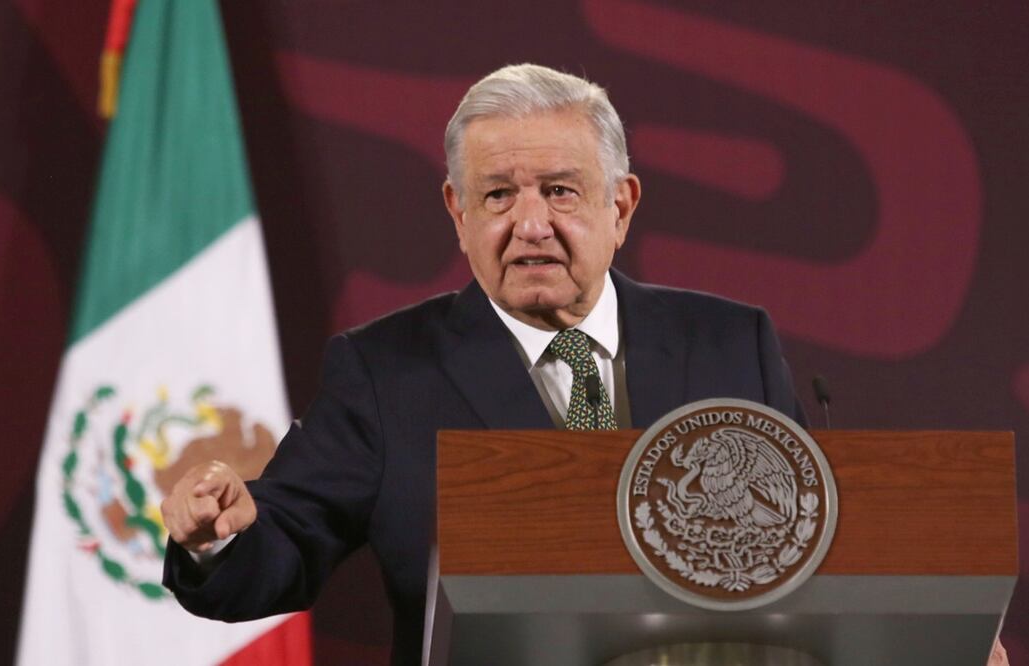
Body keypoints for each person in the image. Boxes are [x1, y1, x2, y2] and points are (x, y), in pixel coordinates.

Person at [161, 63, 807, 665]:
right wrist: (218, 539)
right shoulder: (385, 372)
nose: (530, 224)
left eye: (559, 191)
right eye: (498, 195)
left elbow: (812, 545)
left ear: (620, 206)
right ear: (458, 212)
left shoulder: (729, 342)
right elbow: (283, 543)